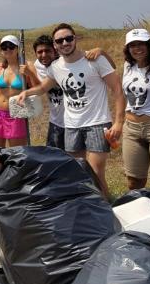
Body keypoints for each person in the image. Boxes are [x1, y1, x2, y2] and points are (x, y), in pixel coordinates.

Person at [18, 23, 125, 197]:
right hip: (72, 126)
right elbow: (44, 87)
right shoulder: (56, 67)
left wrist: (119, 122)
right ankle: (87, 212)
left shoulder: (95, 60)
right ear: (55, 44)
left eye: (68, 38)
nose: (65, 43)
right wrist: (26, 92)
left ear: (75, 39)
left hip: (97, 124)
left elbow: (118, 89)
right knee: (77, 174)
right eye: (60, 40)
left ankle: (107, 212)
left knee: (95, 174)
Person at [30, 35, 116, 150]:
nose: (44, 55)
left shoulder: (68, 62)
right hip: (56, 122)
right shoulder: (38, 66)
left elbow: (111, 67)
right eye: (40, 52)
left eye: (48, 51)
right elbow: (40, 88)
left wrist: (101, 52)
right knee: (54, 159)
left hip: (77, 122)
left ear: (55, 49)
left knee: (81, 161)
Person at [122, 28, 150, 190]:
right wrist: (100, 52)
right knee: (134, 181)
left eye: (141, 44)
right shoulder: (129, 65)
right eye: (132, 45)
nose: (137, 48)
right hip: (131, 130)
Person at [0, 35, 40, 155]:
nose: (7, 49)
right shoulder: (0, 68)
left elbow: (39, 89)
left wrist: (30, 74)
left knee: (17, 155)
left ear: (17, 48)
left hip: (16, 114)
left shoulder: (27, 66)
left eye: (11, 46)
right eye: (4, 47)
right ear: (1, 50)